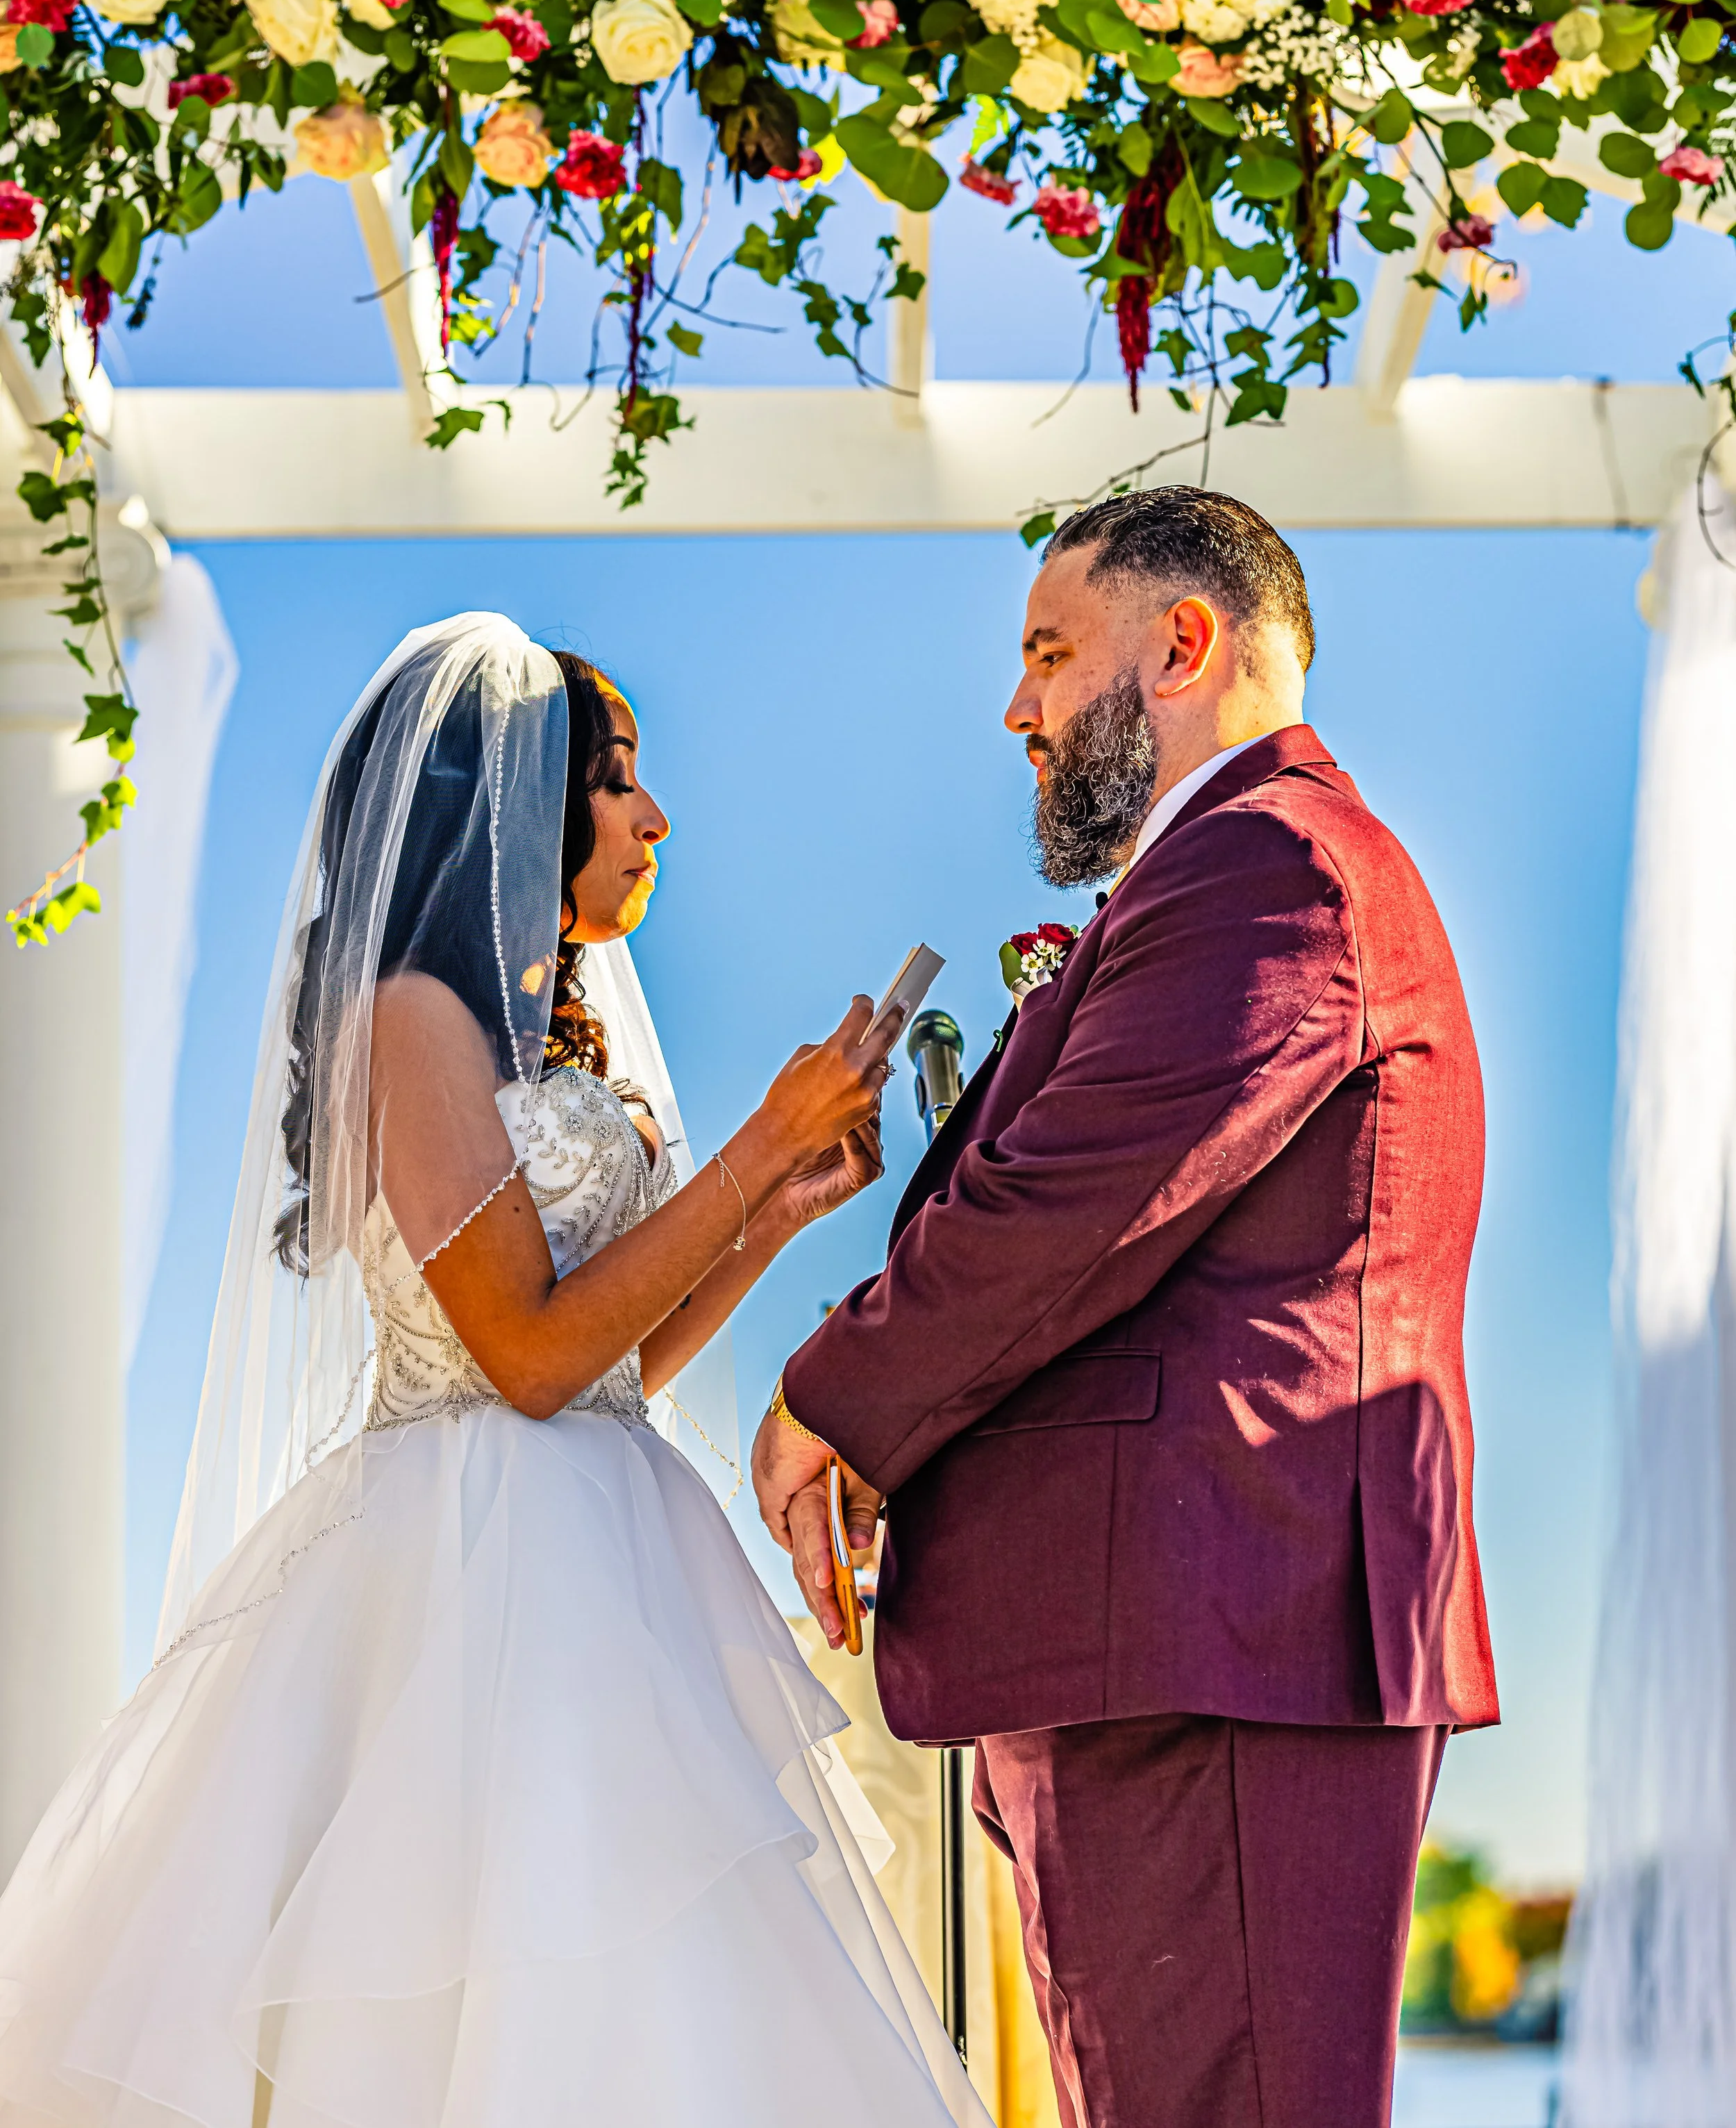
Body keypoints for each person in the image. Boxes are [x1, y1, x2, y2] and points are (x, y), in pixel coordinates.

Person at [0, 613, 987, 2128]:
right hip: (459, 1580)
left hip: (602, 1545)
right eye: (616, 782)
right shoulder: (411, 1020)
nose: (655, 818)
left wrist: (781, 1205)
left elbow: (617, 1361)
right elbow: (523, 1356)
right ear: (516, 806)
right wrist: (750, 1152)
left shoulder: (557, 1046)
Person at [753, 488, 1496, 2128]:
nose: (1013, 709)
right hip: (1168, 1639)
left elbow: (1078, 1202)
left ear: (1180, 644)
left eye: (1045, 654)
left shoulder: (1273, 863)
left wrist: (830, 1398)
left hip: (1211, 1633)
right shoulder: (1242, 867)